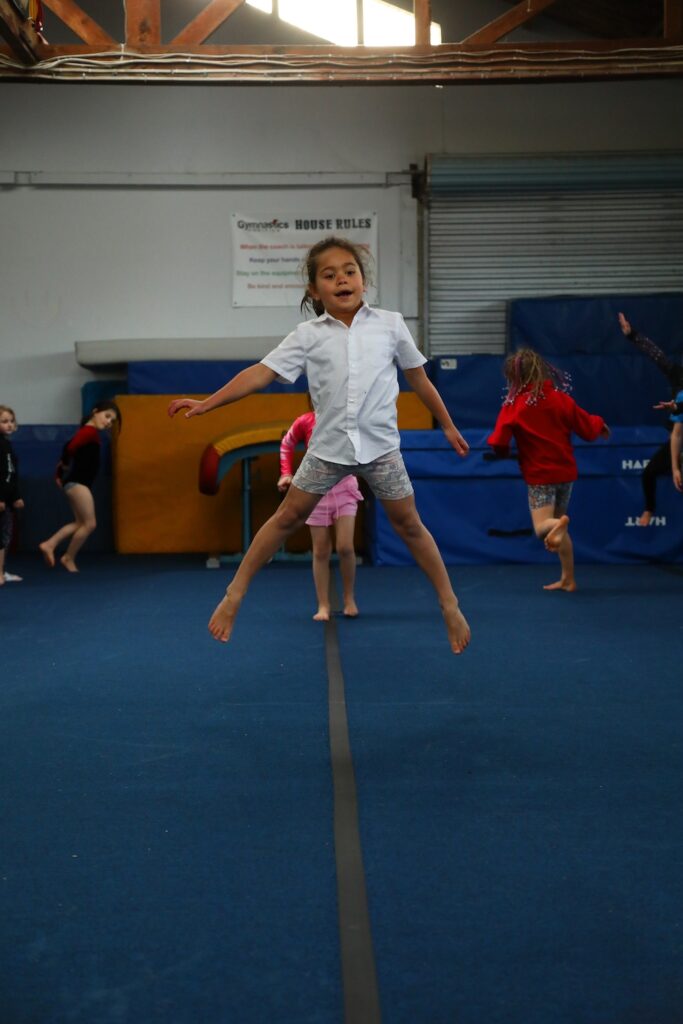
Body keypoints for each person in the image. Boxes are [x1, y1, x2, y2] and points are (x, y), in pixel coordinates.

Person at [168, 236, 471, 654]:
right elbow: (260, 374)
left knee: (410, 525)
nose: (342, 279)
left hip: (381, 448)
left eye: (350, 271)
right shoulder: (307, 336)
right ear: (314, 290)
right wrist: (209, 403)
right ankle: (235, 593)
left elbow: (418, 378)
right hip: (328, 449)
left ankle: (450, 604)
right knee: (287, 517)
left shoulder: (390, 324)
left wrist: (449, 426)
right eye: (329, 275)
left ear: (364, 280)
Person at [488, 348, 609, 592]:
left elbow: (499, 440)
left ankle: (556, 527)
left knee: (543, 526)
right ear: (541, 370)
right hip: (565, 473)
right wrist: (600, 425)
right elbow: (586, 426)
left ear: (514, 377)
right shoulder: (561, 399)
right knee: (558, 525)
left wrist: (502, 452)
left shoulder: (515, 405)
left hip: (540, 475)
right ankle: (568, 578)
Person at [278, 408, 363, 621]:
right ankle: (323, 604)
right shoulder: (305, 420)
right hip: (315, 491)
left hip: (345, 487)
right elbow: (287, 443)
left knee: (345, 546)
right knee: (321, 550)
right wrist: (286, 473)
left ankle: (349, 598)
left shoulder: (348, 418)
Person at [39, 400, 121, 573]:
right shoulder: (89, 432)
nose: (108, 422)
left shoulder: (90, 433)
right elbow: (69, 447)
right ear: (95, 412)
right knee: (90, 524)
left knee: (80, 523)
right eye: (107, 416)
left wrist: (60, 474)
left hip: (75, 483)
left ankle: (49, 544)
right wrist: (63, 468)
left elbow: (68, 449)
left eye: (112, 421)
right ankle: (68, 557)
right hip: (78, 483)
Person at [618, 312, 683, 525]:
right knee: (648, 474)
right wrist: (632, 335)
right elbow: (657, 355)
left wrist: (676, 406)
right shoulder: (678, 376)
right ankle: (649, 508)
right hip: (678, 437)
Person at [0, 405, 25, 585]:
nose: (9, 425)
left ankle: (1, 570)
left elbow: (11, 473)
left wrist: (15, 496)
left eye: (11, 421)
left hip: (7, 499)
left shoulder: (7, 444)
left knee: (5, 535)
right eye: (4, 421)